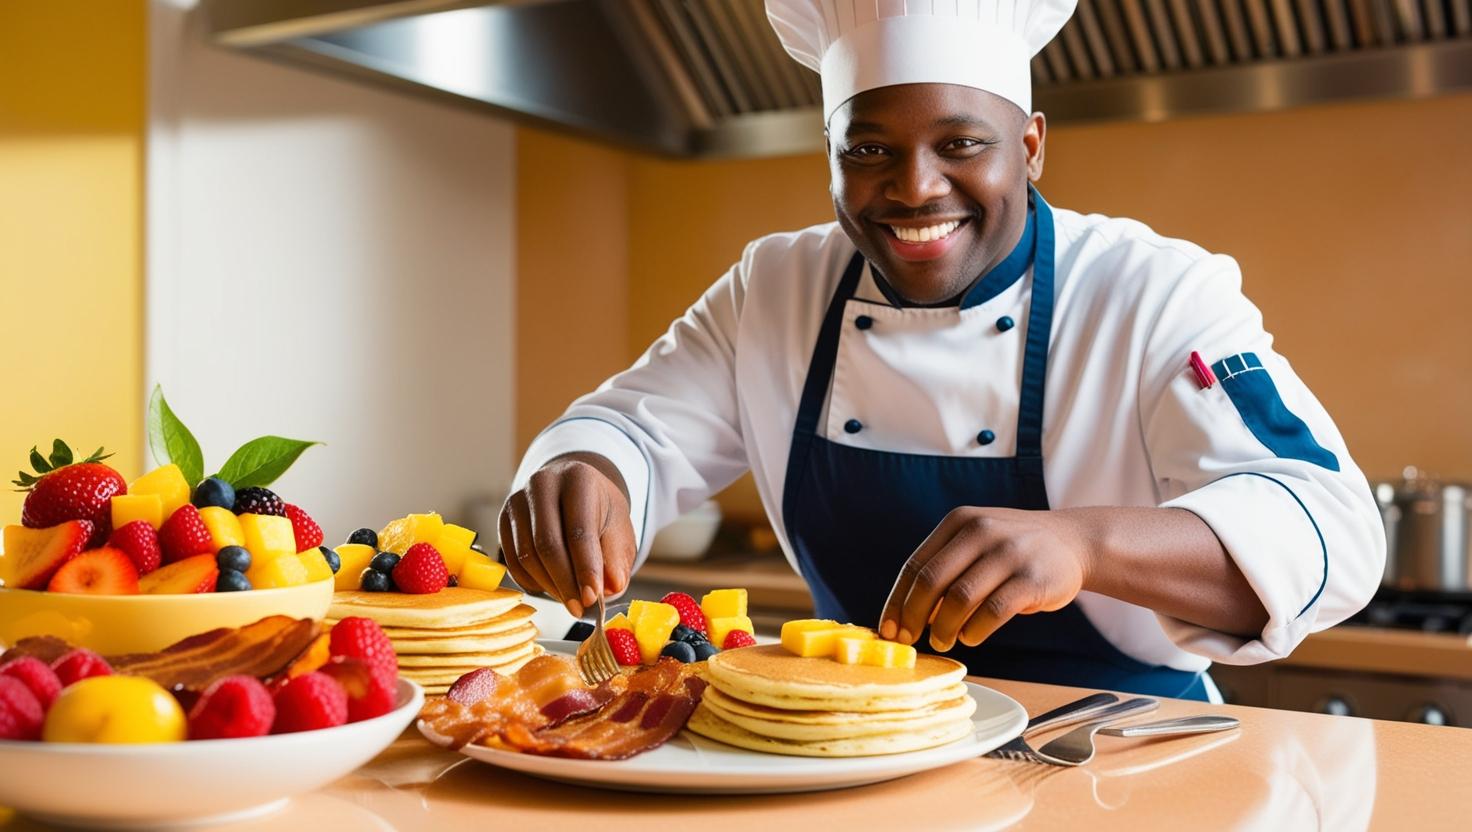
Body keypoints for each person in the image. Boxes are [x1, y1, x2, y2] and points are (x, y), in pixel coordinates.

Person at [498, 0, 1384, 700]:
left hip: (1116, 750)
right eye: (871, 149)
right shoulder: (776, 285)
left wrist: (1087, 545)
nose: (915, 188)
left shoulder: (1150, 291)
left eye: (961, 144)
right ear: (831, 157)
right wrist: (590, 470)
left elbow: (1330, 531)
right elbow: (633, 430)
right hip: (855, 740)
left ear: (1031, 147)